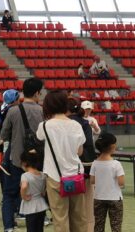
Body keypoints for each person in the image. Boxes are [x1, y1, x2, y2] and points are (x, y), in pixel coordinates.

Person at [36, 90, 87, 232]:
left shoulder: (45, 126)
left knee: (60, 218)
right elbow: (80, 151)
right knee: (79, 218)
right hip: (76, 175)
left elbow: (39, 138)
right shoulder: (76, 125)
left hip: (55, 177)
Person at [0, 78, 44, 232]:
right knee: (37, 194)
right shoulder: (42, 111)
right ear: (38, 92)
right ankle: (38, 224)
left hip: (16, 159)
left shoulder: (12, 111)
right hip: (37, 161)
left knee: (9, 194)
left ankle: (9, 227)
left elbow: (3, 135)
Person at [67, 98, 96, 232]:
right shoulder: (84, 123)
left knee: (69, 205)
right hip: (85, 168)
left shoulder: (61, 124)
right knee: (88, 204)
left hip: (66, 171)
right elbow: (89, 146)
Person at [90, 133, 125, 232]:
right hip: (115, 198)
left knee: (98, 225)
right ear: (113, 146)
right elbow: (121, 183)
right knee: (116, 226)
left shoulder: (95, 163)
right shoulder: (116, 164)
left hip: (98, 198)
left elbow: (92, 181)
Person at [19, 151, 48, 232]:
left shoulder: (25, 175)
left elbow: (24, 186)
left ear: (24, 163)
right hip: (41, 202)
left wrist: (24, 197)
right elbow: (46, 186)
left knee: (31, 228)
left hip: (30, 204)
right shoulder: (42, 175)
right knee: (40, 228)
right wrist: (43, 192)